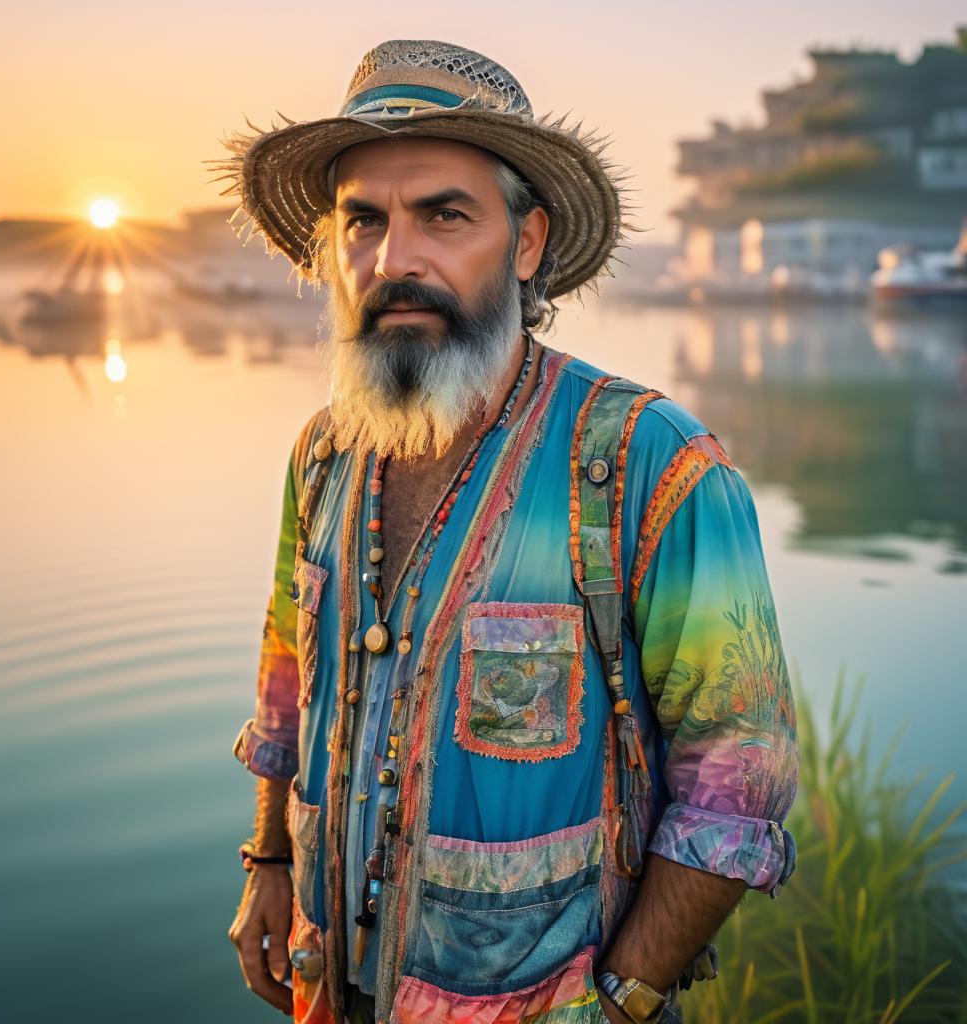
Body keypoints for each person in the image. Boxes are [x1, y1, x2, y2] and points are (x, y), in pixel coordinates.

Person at [213, 39, 798, 1024]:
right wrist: (268, 856)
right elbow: (287, 673)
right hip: (328, 983)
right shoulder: (322, 454)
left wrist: (620, 1002)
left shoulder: (650, 464)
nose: (395, 259)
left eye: (444, 214)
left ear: (525, 244)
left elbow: (736, 787)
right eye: (363, 220)